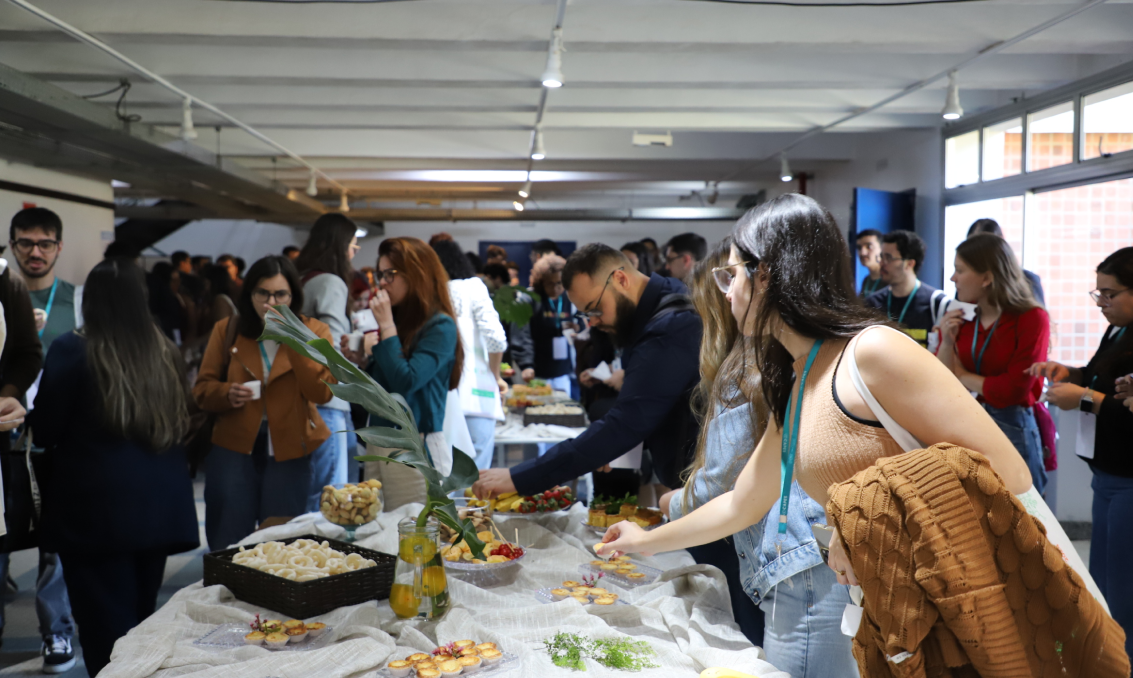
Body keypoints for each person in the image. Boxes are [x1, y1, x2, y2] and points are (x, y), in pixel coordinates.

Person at [597, 195, 1085, 663]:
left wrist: (863, 527)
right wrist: (642, 540)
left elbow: (1008, 475)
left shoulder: (873, 353)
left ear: (766, 274)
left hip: (951, 604)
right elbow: (743, 503)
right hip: (884, 607)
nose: (725, 291)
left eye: (731, 274)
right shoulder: (796, 372)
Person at [28, 259, 198, 676]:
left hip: (96, 515)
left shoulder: (75, 348)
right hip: (158, 511)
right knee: (141, 619)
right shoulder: (163, 350)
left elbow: (47, 428)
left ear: (93, 301)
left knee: (105, 629)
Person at [473, 244, 702, 504]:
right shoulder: (659, 309)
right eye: (586, 314)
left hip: (701, 484)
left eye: (595, 308)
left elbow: (627, 421)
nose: (592, 322)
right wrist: (608, 447)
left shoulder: (669, 327)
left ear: (620, 279)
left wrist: (518, 477)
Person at [659, 239, 771, 648]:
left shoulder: (740, 372)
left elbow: (723, 485)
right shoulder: (769, 363)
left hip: (753, 552)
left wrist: (671, 505)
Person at [1028, 246, 1133, 658]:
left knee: (1124, 590)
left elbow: (1121, 410)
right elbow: (1100, 379)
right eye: (1098, 295)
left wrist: (1084, 397)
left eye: (1111, 295)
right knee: (1103, 581)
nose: (1102, 304)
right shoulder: (1118, 329)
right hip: (1106, 472)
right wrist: (1068, 373)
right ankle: (1107, 658)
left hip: (1129, 476)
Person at [193, 256, 335, 549]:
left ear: (293, 296)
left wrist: (293, 338)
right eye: (263, 293)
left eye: (280, 294)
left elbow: (322, 393)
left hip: (290, 446)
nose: (271, 301)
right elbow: (202, 389)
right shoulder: (227, 329)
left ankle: (274, 593)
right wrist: (227, 392)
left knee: (281, 538)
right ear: (250, 295)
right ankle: (226, 590)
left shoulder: (315, 331)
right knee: (229, 537)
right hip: (234, 444)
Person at [6, 207, 77, 673]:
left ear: (58, 247)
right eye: (25, 242)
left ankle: (57, 633)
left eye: (44, 243)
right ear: (12, 246)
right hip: (5, 443)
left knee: (57, 543)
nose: (35, 251)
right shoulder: (1, 296)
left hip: (58, 442)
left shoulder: (78, 299)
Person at [349, 238, 462, 509]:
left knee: (414, 538)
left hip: (415, 446)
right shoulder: (402, 323)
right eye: (380, 274)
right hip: (379, 442)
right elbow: (383, 387)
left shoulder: (440, 325)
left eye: (390, 274)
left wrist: (386, 325)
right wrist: (363, 360)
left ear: (417, 275)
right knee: (377, 535)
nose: (382, 283)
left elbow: (407, 381)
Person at [935, 234, 1050, 494]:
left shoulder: (1031, 318)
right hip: (965, 423)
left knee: (1024, 515)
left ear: (986, 278)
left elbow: (1014, 390)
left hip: (1012, 424)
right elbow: (942, 380)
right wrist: (945, 343)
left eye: (960, 270)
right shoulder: (960, 316)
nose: (953, 278)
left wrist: (962, 375)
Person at [294, 214, 360, 508]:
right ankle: (323, 554)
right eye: (353, 244)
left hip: (300, 397)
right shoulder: (331, 282)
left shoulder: (301, 278)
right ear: (341, 244)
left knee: (312, 493)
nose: (354, 251)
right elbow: (331, 346)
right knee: (330, 501)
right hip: (329, 400)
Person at [431, 239, 509, 470]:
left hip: (440, 397)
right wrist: (495, 376)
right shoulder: (474, 287)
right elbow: (496, 339)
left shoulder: (430, 294)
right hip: (478, 394)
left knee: (444, 475)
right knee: (476, 480)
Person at [864, 229, 950, 347]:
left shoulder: (937, 304)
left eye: (889, 258)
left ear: (909, 264)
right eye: (881, 257)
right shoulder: (872, 303)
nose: (882, 263)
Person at [513, 255, 576, 396]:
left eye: (560, 283)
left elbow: (582, 325)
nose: (556, 288)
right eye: (550, 284)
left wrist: (578, 329)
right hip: (536, 372)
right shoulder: (528, 300)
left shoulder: (569, 298)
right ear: (540, 282)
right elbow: (521, 335)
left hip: (562, 372)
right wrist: (526, 365)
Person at [968, 218, 1045, 305]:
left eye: (980, 247)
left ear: (1000, 245)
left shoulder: (1029, 280)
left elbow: (1037, 315)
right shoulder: (968, 281)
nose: (973, 254)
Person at [854, 228, 885, 297]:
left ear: (882, 249)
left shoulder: (890, 281)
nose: (862, 253)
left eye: (869, 247)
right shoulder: (866, 280)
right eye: (859, 248)